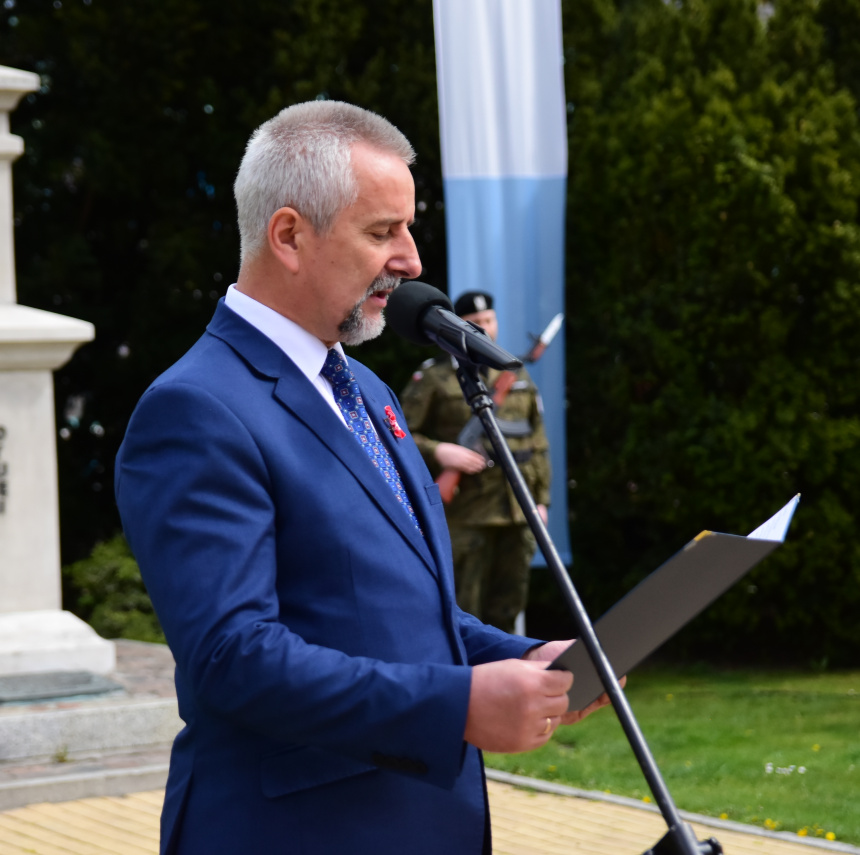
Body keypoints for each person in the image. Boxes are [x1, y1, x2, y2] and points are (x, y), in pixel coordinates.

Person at [115, 101, 607, 855]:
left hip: (423, 818)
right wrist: (459, 707)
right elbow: (232, 655)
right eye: (382, 232)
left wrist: (520, 657)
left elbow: (401, 609)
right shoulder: (196, 407)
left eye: (407, 229)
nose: (411, 260)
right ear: (288, 236)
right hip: (297, 831)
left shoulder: (368, 392)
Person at [400, 292, 551, 633]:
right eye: (476, 323)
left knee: (509, 605)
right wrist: (441, 452)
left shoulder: (517, 373)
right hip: (467, 512)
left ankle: (510, 680)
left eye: (489, 321)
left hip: (516, 507)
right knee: (465, 608)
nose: (485, 328)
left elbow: (537, 442)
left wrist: (542, 498)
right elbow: (400, 435)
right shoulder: (435, 378)